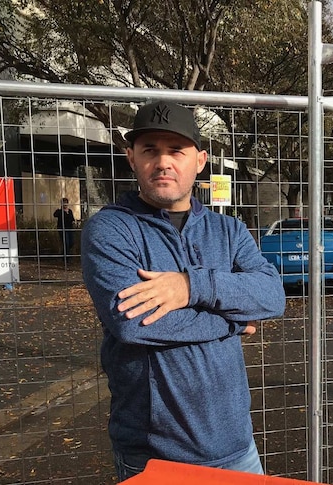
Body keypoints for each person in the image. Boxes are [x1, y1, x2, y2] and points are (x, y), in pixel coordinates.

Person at [81, 101, 286, 481]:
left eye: (176, 150)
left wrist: (191, 285)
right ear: (131, 158)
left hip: (237, 445)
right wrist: (232, 323)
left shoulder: (229, 231)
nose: (163, 162)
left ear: (200, 160)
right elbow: (133, 323)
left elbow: (272, 295)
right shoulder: (111, 229)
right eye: (150, 151)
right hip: (154, 453)